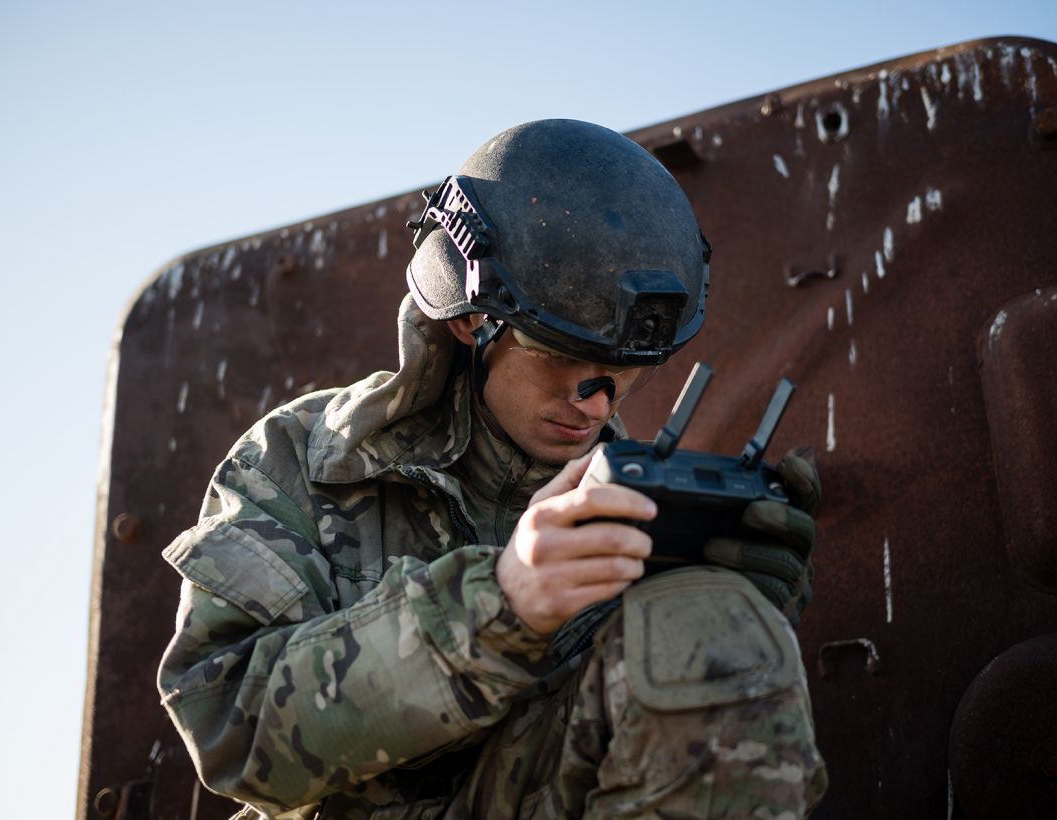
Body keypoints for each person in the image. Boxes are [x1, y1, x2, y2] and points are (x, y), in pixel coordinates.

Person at [157, 119, 826, 819]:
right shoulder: (308, 458)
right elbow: (226, 727)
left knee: (710, 629)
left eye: (627, 370)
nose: (597, 402)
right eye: (559, 356)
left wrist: (738, 617)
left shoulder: (631, 503)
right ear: (468, 321)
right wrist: (499, 604)